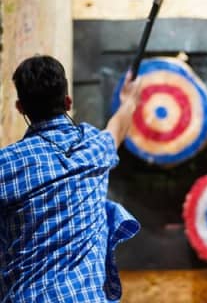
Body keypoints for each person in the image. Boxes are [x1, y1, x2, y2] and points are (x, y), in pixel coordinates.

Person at [0, 55, 141, 302]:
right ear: (67, 102)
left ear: (20, 107)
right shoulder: (94, 146)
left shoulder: (5, 165)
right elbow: (118, 126)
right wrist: (129, 98)